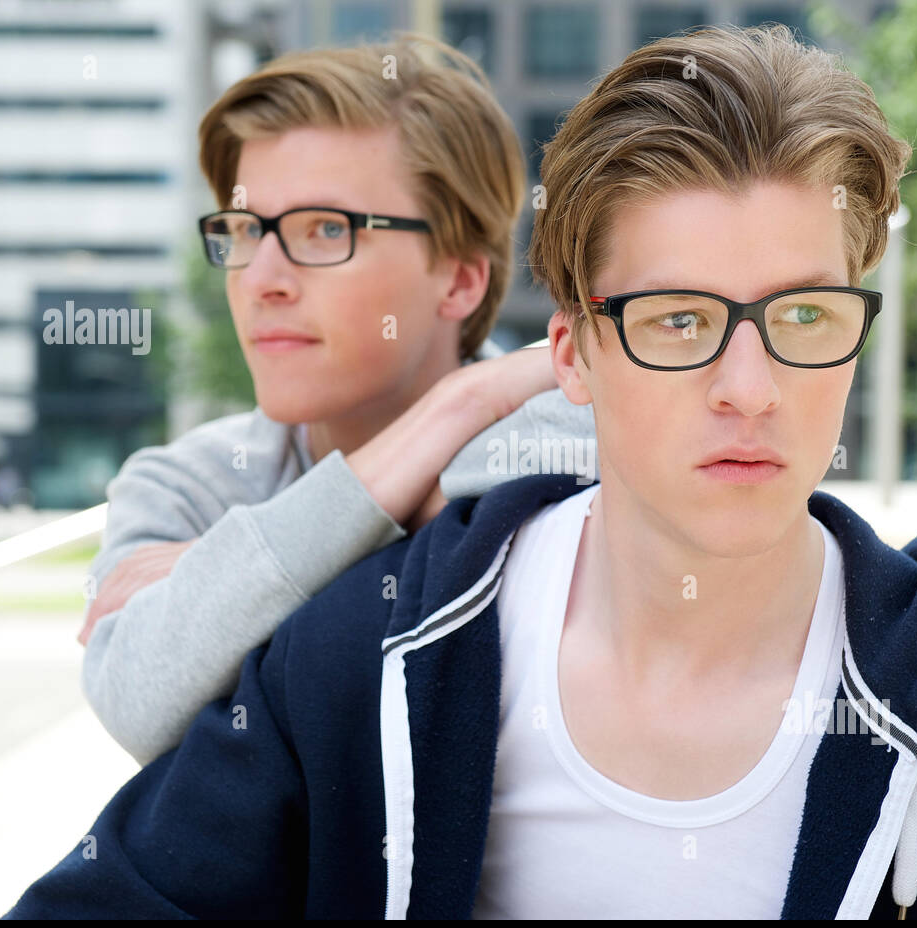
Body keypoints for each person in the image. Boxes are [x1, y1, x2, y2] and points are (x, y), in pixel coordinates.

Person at [5, 23, 917, 919]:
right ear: (570, 349)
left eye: (805, 314)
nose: (749, 386)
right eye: (678, 320)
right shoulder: (354, 665)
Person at [77, 34, 598, 765]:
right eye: (244, 229)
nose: (262, 278)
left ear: (461, 280)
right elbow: (138, 699)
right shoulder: (183, 484)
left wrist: (221, 572)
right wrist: (455, 412)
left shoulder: (561, 419)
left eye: (326, 229)